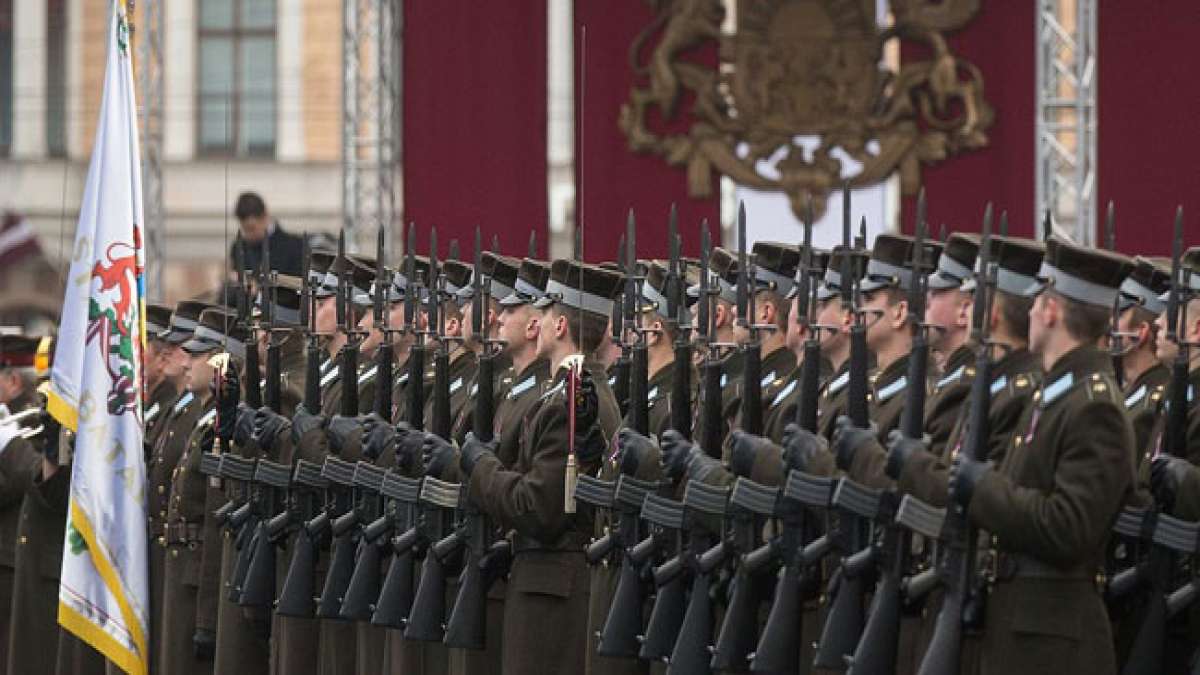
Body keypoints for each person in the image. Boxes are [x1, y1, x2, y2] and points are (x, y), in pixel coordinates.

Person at [948, 236, 1133, 675]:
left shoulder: (1094, 406)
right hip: (1023, 632)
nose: (1029, 311)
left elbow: (1068, 527)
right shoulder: (1057, 394)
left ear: (1051, 310)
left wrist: (984, 488)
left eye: (1036, 303)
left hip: (1052, 645)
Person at [460, 259, 623, 673]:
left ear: (560, 325)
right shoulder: (571, 393)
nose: (541, 318)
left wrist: (479, 465)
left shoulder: (572, 401)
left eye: (547, 310)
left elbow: (539, 507)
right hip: (545, 587)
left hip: (552, 595)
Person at [231, 192, 306, 278]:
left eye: (252, 228)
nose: (248, 234)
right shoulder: (238, 247)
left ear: (265, 216)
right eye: (245, 229)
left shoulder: (295, 247)